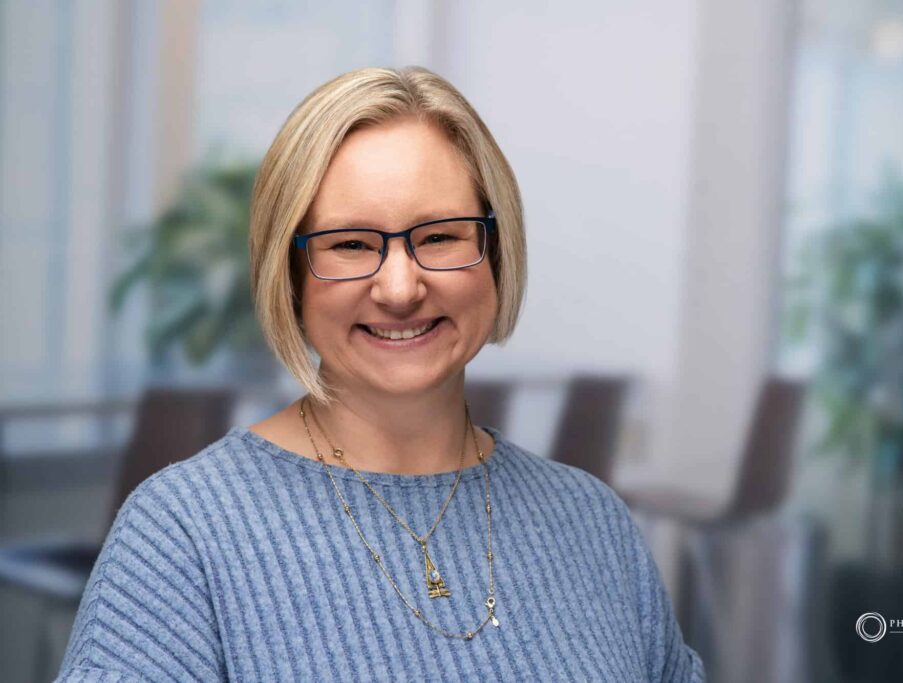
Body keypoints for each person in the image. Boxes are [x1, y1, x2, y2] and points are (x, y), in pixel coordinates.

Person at [57, 66, 704, 682]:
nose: (400, 287)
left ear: (496, 254)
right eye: (351, 244)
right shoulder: (184, 532)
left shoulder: (593, 520)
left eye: (442, 236)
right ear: (289, 276)